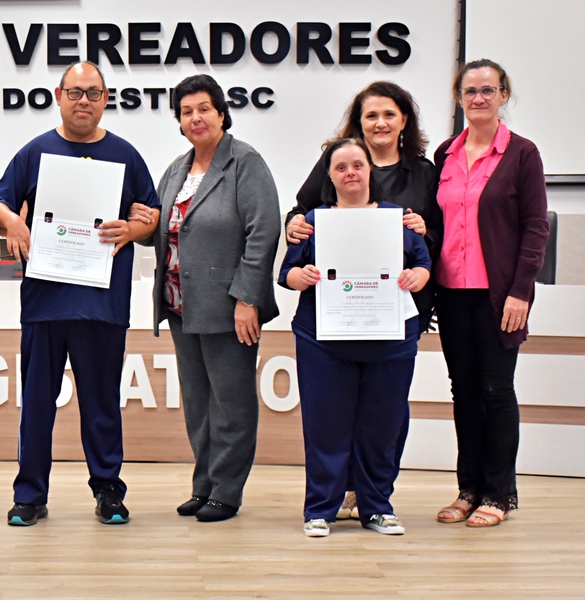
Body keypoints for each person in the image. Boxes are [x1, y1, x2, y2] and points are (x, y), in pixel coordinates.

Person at [0, 61, 161, 526]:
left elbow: (152, 217)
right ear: (58, 96)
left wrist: (134, 228)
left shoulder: (126, 155)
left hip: (102, 304)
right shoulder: (35, 151)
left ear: (105, 99)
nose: (83, 100)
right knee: (37, 405)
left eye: (93, 93)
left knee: (102, 403)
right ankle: (30, 495)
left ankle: (108, 491)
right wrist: (14, 223)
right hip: (45, 302)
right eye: (75, 92)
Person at [285, 81, 438, 520]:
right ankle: (330, 503)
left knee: (384, 418)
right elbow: (300, 227)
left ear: (403, 119)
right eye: (371, 115)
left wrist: (422, 254)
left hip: (394, 317)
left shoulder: (422, 177)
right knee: (330, 418)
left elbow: (431, 249)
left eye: (389, 114)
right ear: (332, 173)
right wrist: (296, 235)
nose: (380, 122)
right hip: (331, 323)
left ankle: (374, 502)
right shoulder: (321, 210)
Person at [132, 74, 281, 522]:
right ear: (179, 120)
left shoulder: (245, 163)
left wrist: (247, 299)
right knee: (198, 403)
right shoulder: (177, 169)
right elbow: (164, 232)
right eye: (186, 111)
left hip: (229, 307)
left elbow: (264, 232)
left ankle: (227, 491)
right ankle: (205, 484)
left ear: (221, 113)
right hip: (181, 306)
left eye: (203, 108)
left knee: (231, 403)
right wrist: (141, 223)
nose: (195, 118)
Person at [431, 59, 549, 528]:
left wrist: (521, 292)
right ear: (459, 98)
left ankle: (499, 493)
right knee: (463, 392)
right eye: (470, 91)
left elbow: (536, 228)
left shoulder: (522, 154)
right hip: (451, 294)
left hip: (499, 296)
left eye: (488, 90)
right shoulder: (445, 153)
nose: (478, 98)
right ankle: (468, 488)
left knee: (496, 391)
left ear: (503, 95)